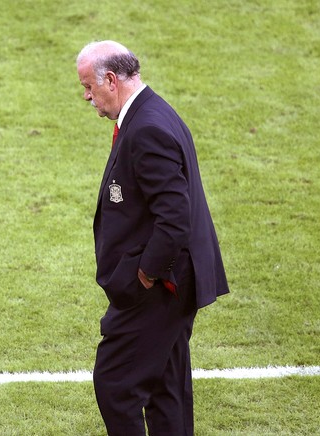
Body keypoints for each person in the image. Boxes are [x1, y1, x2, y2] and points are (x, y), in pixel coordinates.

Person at [76, 40, 229, 435]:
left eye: (89, 88)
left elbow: (175, 216)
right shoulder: (152, 111)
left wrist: (144, 274)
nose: (87, 97)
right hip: (174, 282)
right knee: (166, 391)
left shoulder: (146, 129)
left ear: (110, 79)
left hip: (162, 286)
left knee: (115, 383)